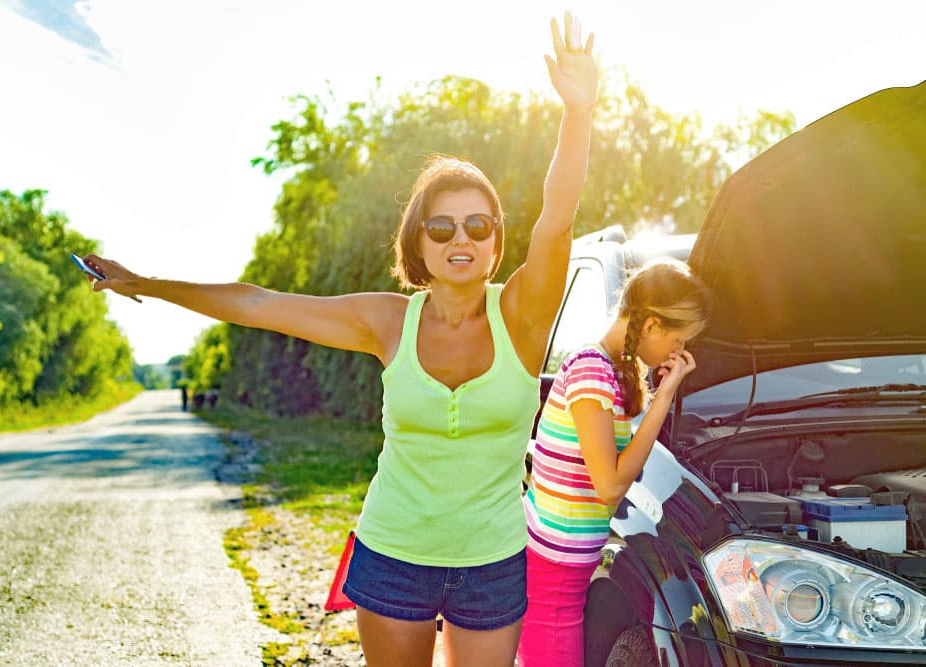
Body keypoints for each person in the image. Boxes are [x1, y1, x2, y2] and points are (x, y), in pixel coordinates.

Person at [83, 12, 598, 667]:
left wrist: (578, 112)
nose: (461, 238)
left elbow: (557, 220)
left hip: (491, 561)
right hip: (393, 554)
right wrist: (147, 283)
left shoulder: (523, 315)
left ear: (497, 238)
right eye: (441, 228)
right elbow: (258, 303)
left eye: (477, 223)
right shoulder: (388, 321)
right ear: (418, 243)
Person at [516, 257, 712, 667]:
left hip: (567, 568)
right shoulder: (592, 370)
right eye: (679, 341)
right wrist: (665, 396)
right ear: (652, 326)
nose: (680, 352)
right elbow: (609, 484)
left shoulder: (613, 372)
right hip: (554, 570)